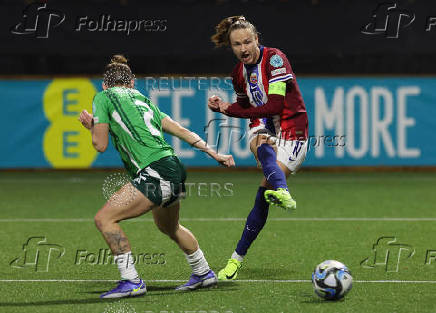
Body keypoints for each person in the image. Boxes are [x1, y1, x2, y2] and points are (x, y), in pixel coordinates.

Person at [78, 55, 235, 298]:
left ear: (105, 85)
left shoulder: (104, 97)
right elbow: (182, 130)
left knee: (104, 219)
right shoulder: (144, 101)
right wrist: (215, 153)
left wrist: (93, 126)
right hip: (173, 167)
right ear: (132, 83)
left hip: (155, 171)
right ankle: (204, 273)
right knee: (169, 227)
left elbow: (99, 144)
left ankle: (131, 281)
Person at [208, 16, 309, 281]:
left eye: (247, 42)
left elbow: (276, 105)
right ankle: (235, 261)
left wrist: (231, 111)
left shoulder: (274, 59)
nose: (243, 48)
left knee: (265, 189)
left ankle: (278, 187)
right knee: (260, 141)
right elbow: (245, 108)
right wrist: (224, 107)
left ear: (257, 40)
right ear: (231, 47)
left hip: (292, 129)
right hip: (263, 125)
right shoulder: (237, 75)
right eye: (237, 44)